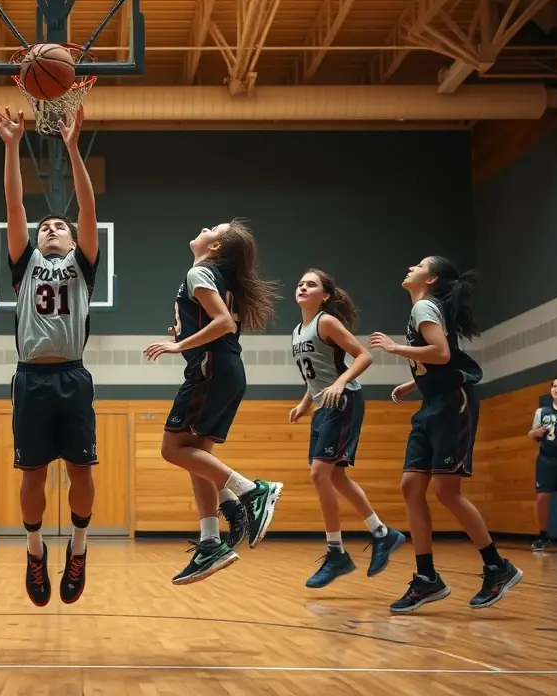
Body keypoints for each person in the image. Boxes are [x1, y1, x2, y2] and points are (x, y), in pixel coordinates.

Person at [0, 103, 98, 607]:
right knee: (32, 474)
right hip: (29, 378)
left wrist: (74, 148)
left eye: (60, 225)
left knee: (82, 473)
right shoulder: (25, 264)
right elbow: (15, 208)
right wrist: (12, 147)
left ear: (74, 239)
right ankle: (35, 551)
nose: (52, 228)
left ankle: (77, 547)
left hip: (73, 378)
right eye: (46, 226)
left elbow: (88, 209)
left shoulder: (83, 265)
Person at [369, 256, 522, 612]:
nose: (410, 266)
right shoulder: (423, 307)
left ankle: (497, 567)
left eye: (419, 264)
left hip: (454, 403)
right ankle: (427, 579)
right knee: (411, 486)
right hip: (432, 402)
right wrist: (415, 381)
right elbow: (440, 359)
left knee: (447, 491)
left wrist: (396, 349)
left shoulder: (424, 305)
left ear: (432, 279)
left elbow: (441, 352)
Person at [143, 220, 283, 586]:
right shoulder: (213, 277)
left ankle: (252, 492)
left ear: (216, 247)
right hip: (224, 370)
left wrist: (178, 344)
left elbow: (222, 323)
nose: (203, 227)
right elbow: (217, 322)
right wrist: (185, 333)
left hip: (211, 370)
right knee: (196, 457)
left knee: (172, 449)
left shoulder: (199, 272)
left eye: (213, 228)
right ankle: (210, 541)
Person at [288, 269, 405, 588]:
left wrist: (341, 382)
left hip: (345, 402)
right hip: (324, 406)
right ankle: (383, 533)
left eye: (310, 284)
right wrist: (305, 404)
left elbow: (363, 356)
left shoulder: (326, 321)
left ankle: (336, 552)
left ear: (324, 295)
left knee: (318, 474)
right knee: (335, 475)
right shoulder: (298, 330)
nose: (302, 286)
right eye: (300, 283)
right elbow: (318, 375)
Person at [530, 377, 557, 550]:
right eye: (555, 386)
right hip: (546, 459)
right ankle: (543, 535)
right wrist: (535, 432)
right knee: (542, 497)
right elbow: (533, 434)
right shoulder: (542, 411)